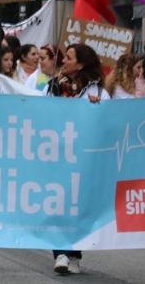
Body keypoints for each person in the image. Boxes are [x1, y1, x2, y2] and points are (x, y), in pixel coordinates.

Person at [45, 43, 107, 275]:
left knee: (77, 207)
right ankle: (60, 252)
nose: (63, 61)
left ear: (80, 64)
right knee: (57, 202)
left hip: (83, 158)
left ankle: (75, 253)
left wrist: (97, 108)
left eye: (69, 58)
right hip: (57, 154)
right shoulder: (53, 87)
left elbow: (107, 121)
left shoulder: (99, 92)